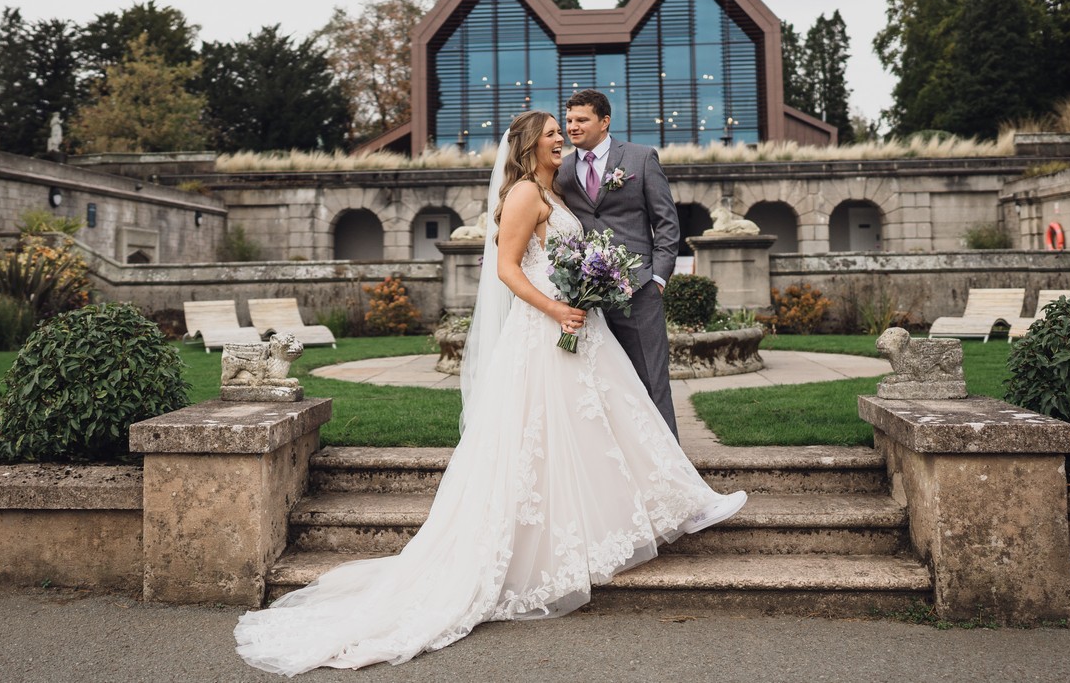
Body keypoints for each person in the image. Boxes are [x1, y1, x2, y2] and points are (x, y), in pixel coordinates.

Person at [234, 111, 745, 675]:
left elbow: (564, 253)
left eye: (565, 130)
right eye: (553, 133)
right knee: (544, 437)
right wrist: (556, 306)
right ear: (531, 145)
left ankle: (631, 518)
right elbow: (506, 267)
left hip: (578, 324)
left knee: (595, 427)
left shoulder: (555, 188)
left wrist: (586, 285)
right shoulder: (526, 193)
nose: (562, 139)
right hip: (548, 326)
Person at [556, 89, 680, 435]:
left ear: (604, 121)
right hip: (587, 297)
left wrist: (658, 279)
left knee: (652, 380)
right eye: (568, 121)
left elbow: (667, 222)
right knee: (598, 384)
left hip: (639, 290)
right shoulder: (562, 170)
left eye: (581, 119)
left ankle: (671, 467)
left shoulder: (641, 158)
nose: (572, 127)